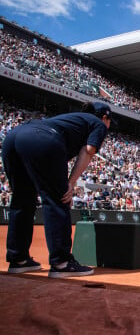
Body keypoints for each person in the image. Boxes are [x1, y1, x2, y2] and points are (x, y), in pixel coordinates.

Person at [2, 102, 112, 278]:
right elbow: (89, 150)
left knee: (22, 199)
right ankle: (62, 262)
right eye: (109, 121)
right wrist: (71, 182)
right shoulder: (98, 123)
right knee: (58, 199)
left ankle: (18, 259)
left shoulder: (72, 119)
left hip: (13, 137)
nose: (109, 125)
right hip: (41, 138)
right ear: (105, 118)